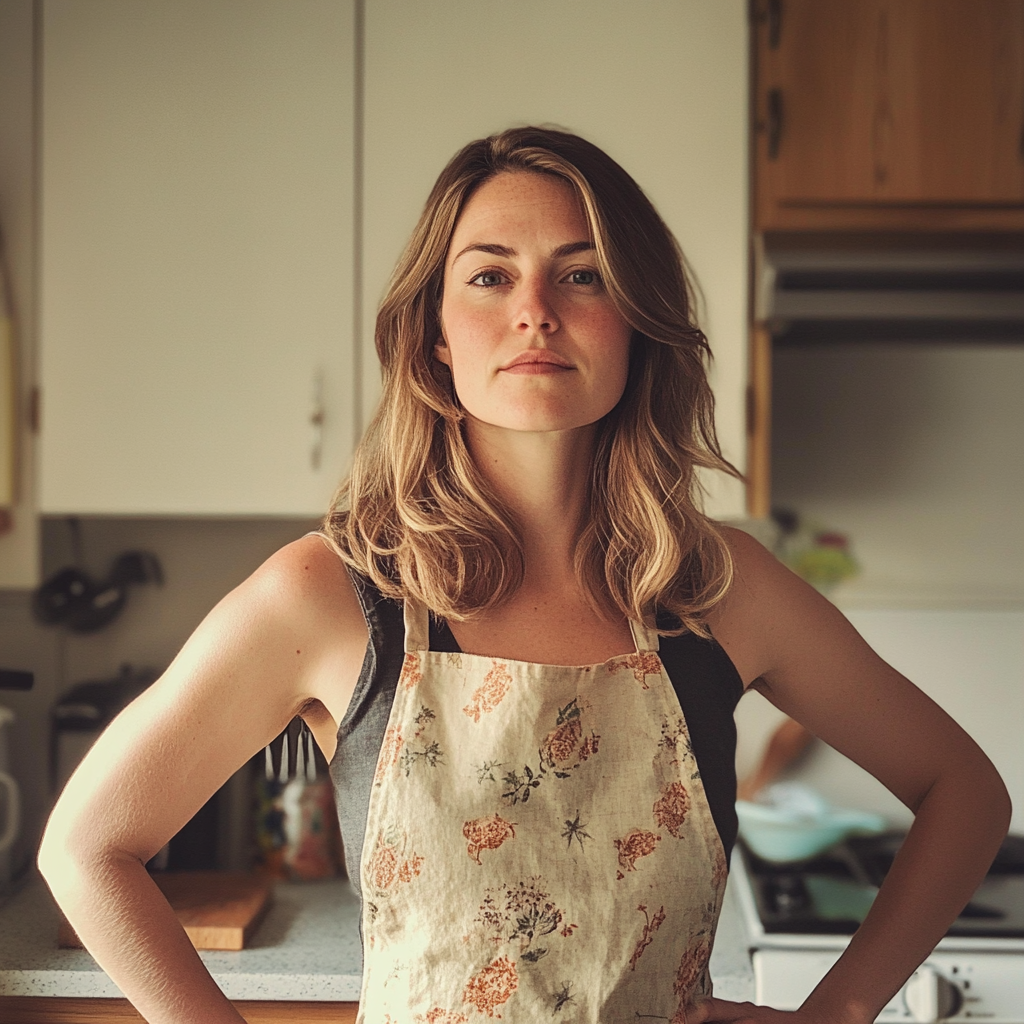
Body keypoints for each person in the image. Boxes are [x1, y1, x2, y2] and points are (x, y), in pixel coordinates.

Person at [39, 127, 1010, 1024]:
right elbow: (86, 848)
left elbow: (962, 787)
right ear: (434, 333)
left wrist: (835, 1012)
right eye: (490, 277)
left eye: (581, 276)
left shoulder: (716, 587)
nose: (535, 313)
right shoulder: (334, 595)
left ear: (636, 322)